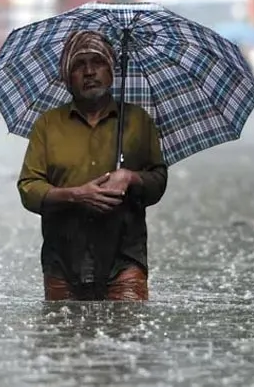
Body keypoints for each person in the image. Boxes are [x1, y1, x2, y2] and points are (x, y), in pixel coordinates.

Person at [17, 30, 168, 301]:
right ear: (67, 77)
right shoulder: (48, 125)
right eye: (78, 65)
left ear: (111, 71)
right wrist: (75, 195)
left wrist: (130, 177)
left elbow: (158, 181)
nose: (89, 72)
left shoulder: (137, 121)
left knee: (128, 335)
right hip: (63, 259)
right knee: (62, 337)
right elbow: (29, 189)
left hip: (124, 258)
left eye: (97, 62)